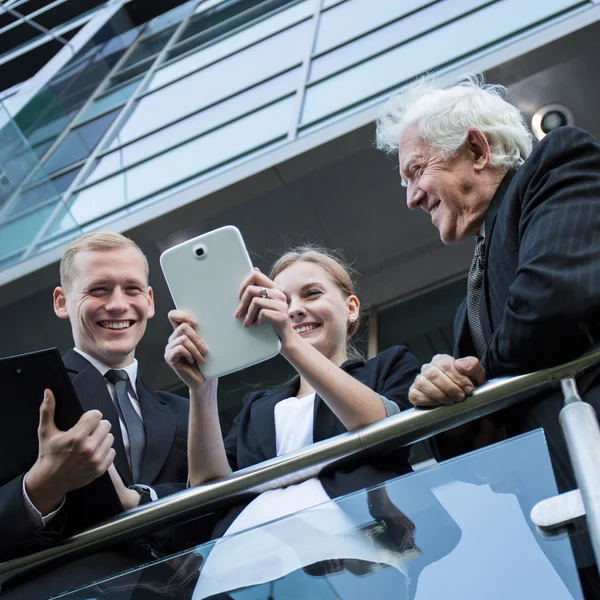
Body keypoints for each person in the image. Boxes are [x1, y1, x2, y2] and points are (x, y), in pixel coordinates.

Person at [375, 73, 600, 594]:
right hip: (568, 528)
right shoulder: (466, 310)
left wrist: (478, 379)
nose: (410, 199)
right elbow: (475, 455)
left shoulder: (557, 162)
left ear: (476, 148)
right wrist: (443, 394)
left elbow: (552, 306)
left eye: (415, 172)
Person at [166, 245, 421, 595]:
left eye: (312, 294)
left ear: (351, 308)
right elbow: (210, 487)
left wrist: (287, 341)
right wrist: (202, 388)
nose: (295, 310)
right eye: (283, 302)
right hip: (244, 575)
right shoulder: (258, 407)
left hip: (356, 569)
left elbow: (379, 430)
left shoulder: (386, 367)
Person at [0, 232, 191, 599]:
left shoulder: (187, 409)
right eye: (99, 290)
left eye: (132, 289)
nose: (118, 304)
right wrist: (41, 487)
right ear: (62, 301)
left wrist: (141, 498)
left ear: (149, 301)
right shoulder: (21, 395)